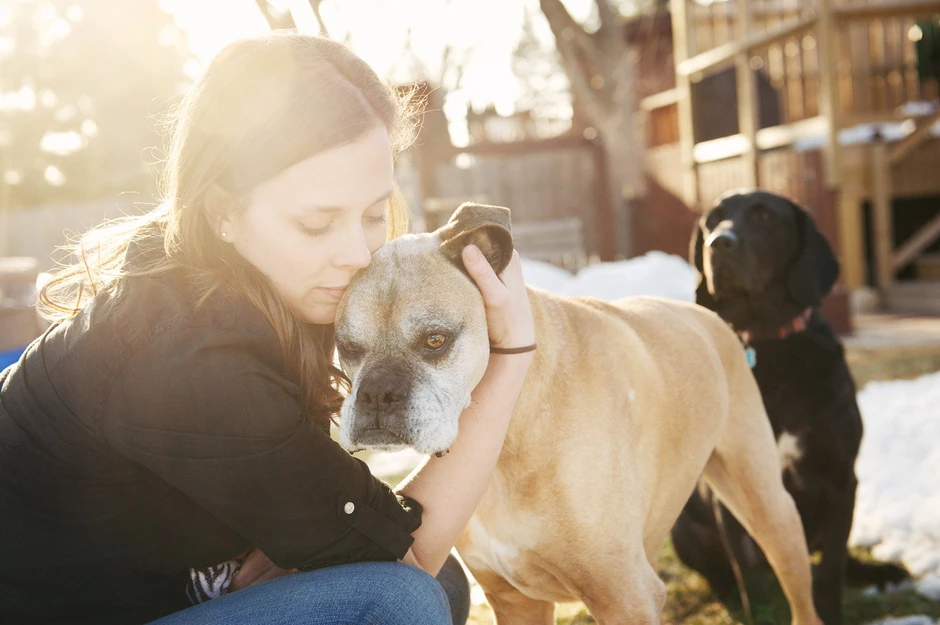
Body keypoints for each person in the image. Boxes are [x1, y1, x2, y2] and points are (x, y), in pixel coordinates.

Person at [0, 32, 535, 625]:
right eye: (315, 224)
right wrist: (511, 353)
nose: (358, 253)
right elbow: (404, 562)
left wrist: (304, 545)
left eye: (372, 214)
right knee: (394, 597)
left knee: (437, 582)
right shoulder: (193, 353)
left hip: (167, 588)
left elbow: (363, 527)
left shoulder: (239, 282)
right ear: (223, 212)